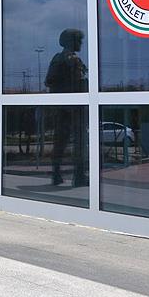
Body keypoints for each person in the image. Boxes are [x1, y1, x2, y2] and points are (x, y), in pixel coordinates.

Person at [45, 28, 88, 186]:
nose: (81, 44)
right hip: (67, 109)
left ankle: (79, 175)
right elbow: (49, 80)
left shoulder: (75, 60)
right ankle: (59, 174)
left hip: (74, 108)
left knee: (78, 143)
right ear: (71, 41)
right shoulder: (62, 59)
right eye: (79, 41)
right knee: (63, 142)